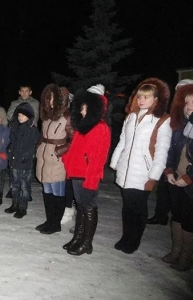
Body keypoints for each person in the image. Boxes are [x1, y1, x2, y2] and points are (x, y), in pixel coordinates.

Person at [110, 78, 172, 254]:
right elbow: (123, 141)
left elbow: (162, 150)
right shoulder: (131, 117)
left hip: (143, 172)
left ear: (156, 99)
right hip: (125, 169)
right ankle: (126, 236)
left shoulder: (161, 120)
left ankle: (134, 239)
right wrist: (115, 161)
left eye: (146, 97)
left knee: (138, 207)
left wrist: (154, 174)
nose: (142, 100)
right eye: (139, 96)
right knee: (127, 206)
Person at [61, 84, 111, 256]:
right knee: (80, 206)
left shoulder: (100, 127)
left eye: (84, 108)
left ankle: (87, 242)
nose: (81, 111)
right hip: (76, 173)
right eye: (81, 108)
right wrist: (67, 163)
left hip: (87, 175)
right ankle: (78, 237)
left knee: (88, 207)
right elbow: (74, 150)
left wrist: (92, 178)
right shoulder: (82, 126)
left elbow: (99, 157)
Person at [161, 80, 193, 271]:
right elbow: (172, 151)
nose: (188, 107)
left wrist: (188, 178)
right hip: (177, 177)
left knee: (190, 220)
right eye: (187, 102)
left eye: (192, 103)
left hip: (190, 181)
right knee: (177, 215)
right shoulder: (181, 126)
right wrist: (169, 170)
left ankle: (187, 257)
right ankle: (176, 250)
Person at [35, 84, 74, 234]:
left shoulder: (67, 116)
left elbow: (73, 139)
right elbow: (43, 135)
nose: (49, 100)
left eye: (52, 97)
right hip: (44, 158)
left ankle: (55, 223)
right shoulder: (47, 116)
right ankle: (49, 220)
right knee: (47, 191)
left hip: (57, 159)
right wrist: (39, 147)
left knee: (57, 192)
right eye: (48, 97)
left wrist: (59, 151)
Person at [5, 102, 40, 218]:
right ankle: (14, 204)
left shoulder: (32, 130)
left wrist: (25, 156)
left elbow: (32, 147)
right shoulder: (14, 128)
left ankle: (22, 208)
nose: (20, 117)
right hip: (14, 161)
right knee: (14, 185)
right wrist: (10, 152)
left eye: (23, 115)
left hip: (25, 163)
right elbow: (12, 143)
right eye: (19, 115)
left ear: (29, 117)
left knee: (24, 187)